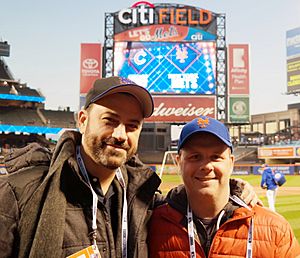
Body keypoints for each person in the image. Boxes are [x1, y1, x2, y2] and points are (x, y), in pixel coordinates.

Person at [0, 77, 259, 258]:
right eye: (110, 120)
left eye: (132, 125)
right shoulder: (20, 192)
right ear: (82, 120)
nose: (121, 134)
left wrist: (231, 188)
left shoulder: (141, 197)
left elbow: (179, 200)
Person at [148, 116, 300, 258]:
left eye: (216, 157)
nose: (206, 166)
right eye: (195, 157)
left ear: (231, 162)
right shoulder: (151, 225)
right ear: (179, 162)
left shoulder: (275, 229)